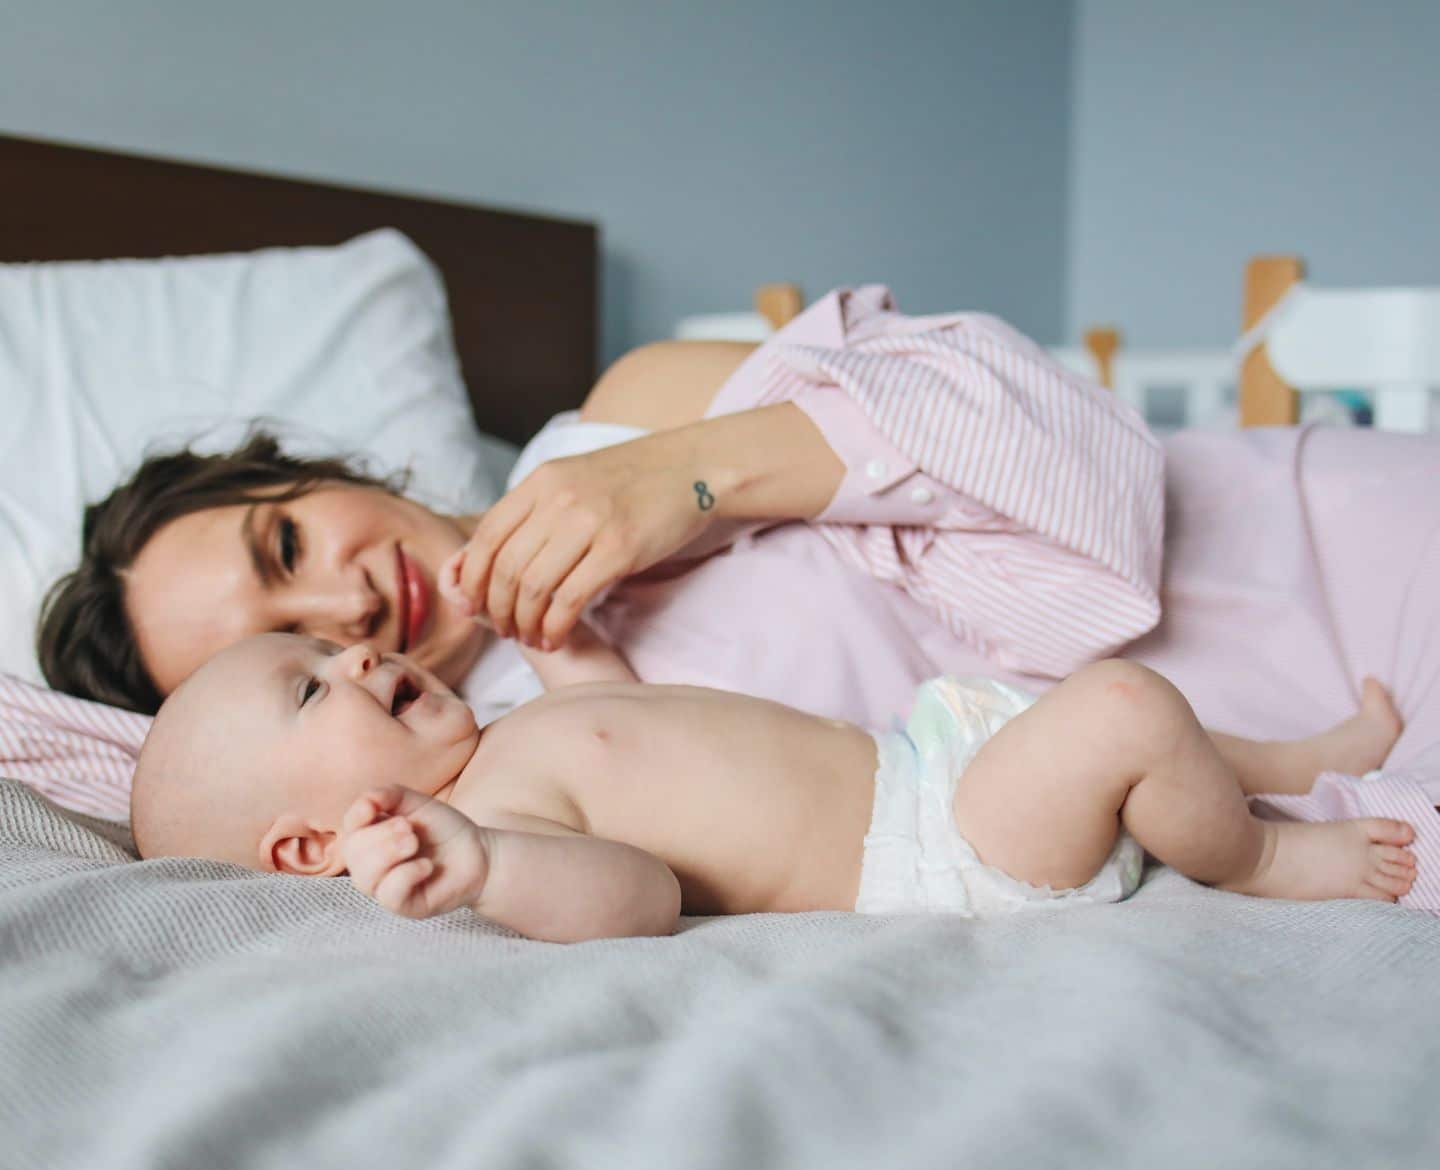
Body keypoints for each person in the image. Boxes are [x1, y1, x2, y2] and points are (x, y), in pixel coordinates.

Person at [38, 287, 1440, 784]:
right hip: (1278, 778)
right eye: (286, 654)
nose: (347, 607)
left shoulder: (622, 417)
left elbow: (1079, 459)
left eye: (286, 545)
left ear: (314, 473)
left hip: (1320, 548)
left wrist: (688, 477)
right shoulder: (524, 772)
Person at [130, 632, 1417, 943]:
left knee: (1078, 697)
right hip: (940, 851)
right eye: (311, 690)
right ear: (306, 851)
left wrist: (567, 633)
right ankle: (1258, 856)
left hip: (926, 753)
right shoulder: (494, 818)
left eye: (323, 643)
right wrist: (482, 866)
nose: (353, 652)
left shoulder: (520, 724)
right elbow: (637, 894)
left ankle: (1296, 763)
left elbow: (628, 713)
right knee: (1124, 709)